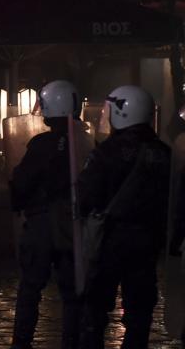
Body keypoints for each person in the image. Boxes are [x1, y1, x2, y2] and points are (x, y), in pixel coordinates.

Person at [77, 86, 171, 349]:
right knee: (140, 313)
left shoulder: (106, 152)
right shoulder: (163, 153)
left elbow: (87, 196)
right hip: (148, 242)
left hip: (111, 240)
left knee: (95, 310)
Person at [9, 80, 82, 349]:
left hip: (41, 223)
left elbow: (22, 181)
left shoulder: (41, 143)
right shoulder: (86, 141)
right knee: (73, 292)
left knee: (30, 288)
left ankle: (22, 342)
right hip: (72, 224)